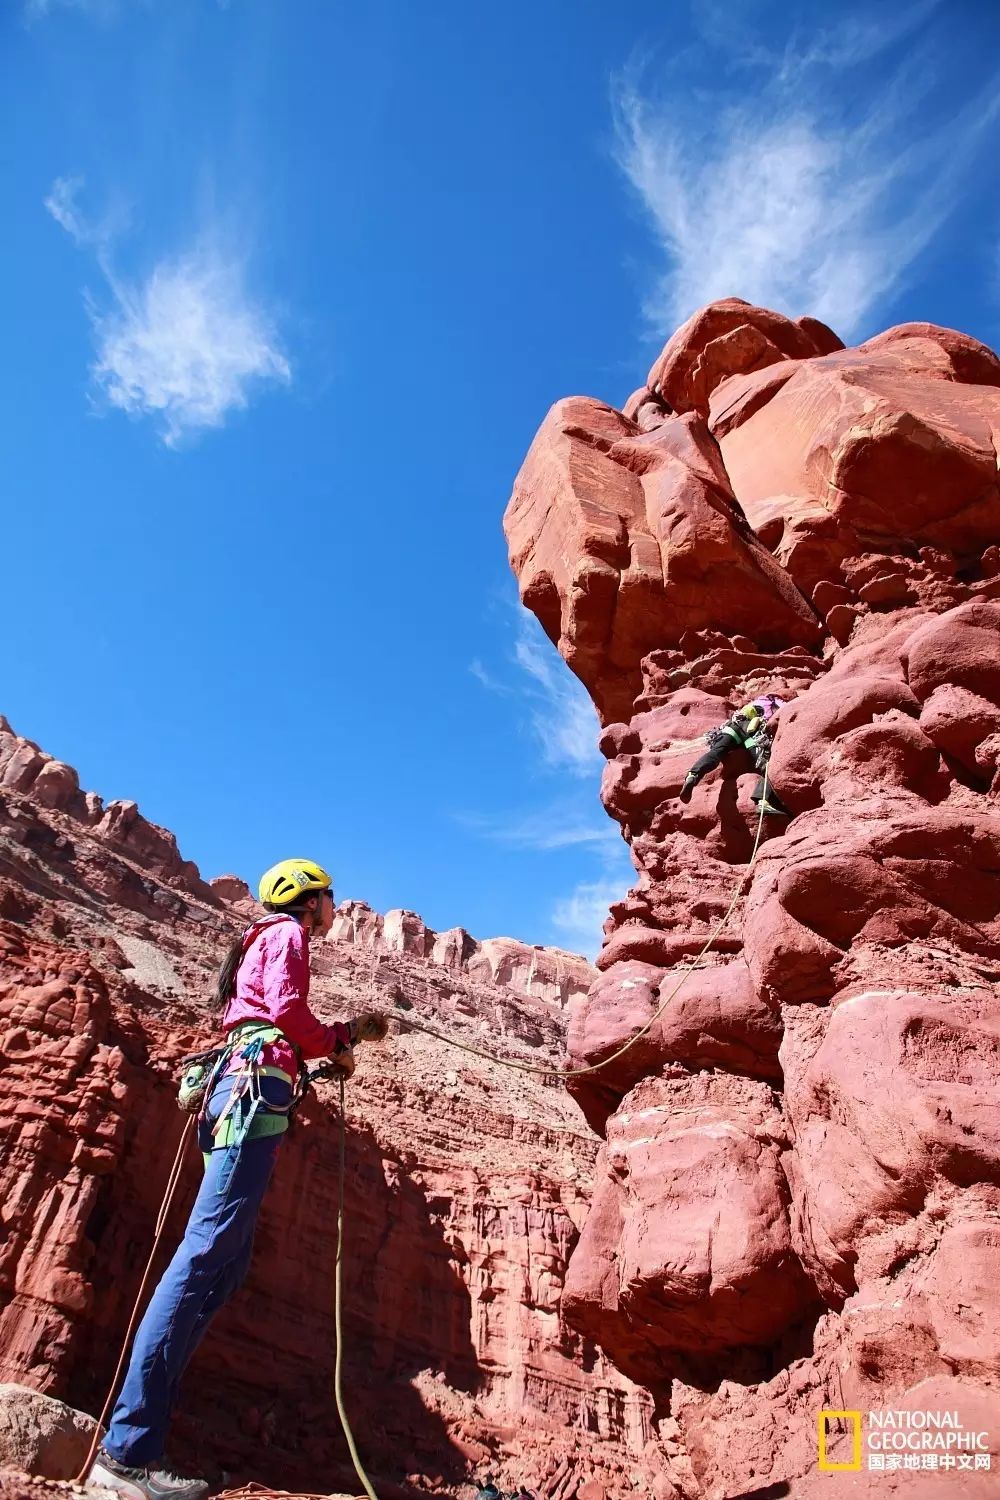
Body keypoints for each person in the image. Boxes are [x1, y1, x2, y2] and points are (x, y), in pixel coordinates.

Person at [90, 858, 386, 1500]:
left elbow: (272, 1017)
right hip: (253, 1094)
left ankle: (139, 1440)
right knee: (203, 1259)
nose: (336, 908)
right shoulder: (288, 935)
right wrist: (336, 1039)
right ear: (313, 900)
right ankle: (125, 1454)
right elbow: (285, 1012)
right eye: (331, 897)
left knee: (223, 1265)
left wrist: (331, 1042)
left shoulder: (257, 942)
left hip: (238, 1093)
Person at [678, 694, 790, 815]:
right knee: (766, 764)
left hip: (731, 728)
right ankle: (763, 801)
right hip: (751, 731)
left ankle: (693, 775)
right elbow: (785, 710)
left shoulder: (754, 702)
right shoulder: (773, 701)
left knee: (716, 753)